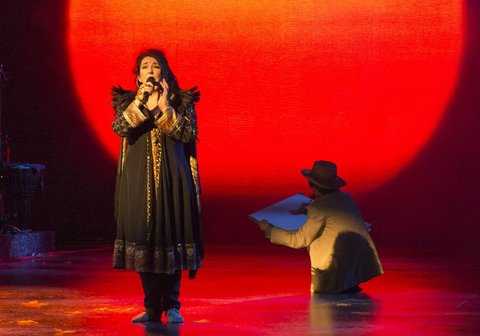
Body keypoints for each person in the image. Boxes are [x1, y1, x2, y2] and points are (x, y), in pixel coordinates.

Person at [111, 49, 203, 323]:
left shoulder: (181, 101)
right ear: (138, 75)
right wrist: (140, 103)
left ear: (164, 72)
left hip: (173, 180)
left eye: (155, 66)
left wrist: (164, 107)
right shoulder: (128, 102)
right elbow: (119, 128)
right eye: (144, 67)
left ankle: (172, 305)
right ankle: (151, 307)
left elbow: (188, 134)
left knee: (169, 239)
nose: (150, 70)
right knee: (146, 242)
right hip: (138, 181)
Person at [257, 160, 383, 294]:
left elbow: (298, 240)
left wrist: (269, 229)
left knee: (324, 312)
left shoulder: (318, 208)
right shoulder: (346, 198)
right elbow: (332, 214)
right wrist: (307, 209)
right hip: (355, 271)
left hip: (334, 273)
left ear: (314, 185)